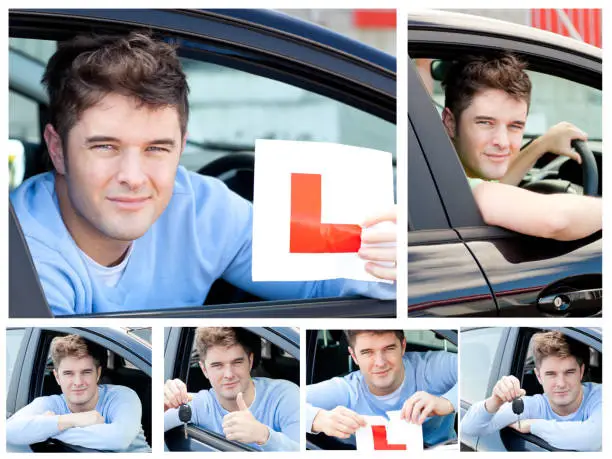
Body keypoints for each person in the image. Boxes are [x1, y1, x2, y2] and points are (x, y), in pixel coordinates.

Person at [9, 31, 397, 316]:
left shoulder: (202, 209)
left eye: (157, 149)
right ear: (57, 149)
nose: (134, 176)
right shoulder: (22, 255)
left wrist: (383, 262)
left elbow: (319, 282)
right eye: (105, 147)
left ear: (181, 145)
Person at [441, 53, 601, 241]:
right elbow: (556, 221)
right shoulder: (453, 185)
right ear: (450, 123)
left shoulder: (451, 176)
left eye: (515, 126)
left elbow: (500, 187)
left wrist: (543, 144)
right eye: (485, 123)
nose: (502, 142)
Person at [306, 330, 457, 447]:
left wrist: (447, 402)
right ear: (354, 356)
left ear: (402, 347)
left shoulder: (431, 369)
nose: (380, 362)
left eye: (388, 349)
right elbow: (290, 401)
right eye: (367, 352)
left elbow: (476, 367)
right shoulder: (346, 390)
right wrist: (317, 418)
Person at [6, 334, 150, 452]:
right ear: (57, 377)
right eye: (68, 373)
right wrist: (73, 420)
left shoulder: (122, 396)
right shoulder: (50, 403)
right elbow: (8, 431)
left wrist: (50, 427)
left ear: (98, 373)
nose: (78, 382)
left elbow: (119, 439)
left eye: (86, 372)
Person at [461, 331, 601, 451]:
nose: (561, 383)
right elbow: (468, 429)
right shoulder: (531, 406)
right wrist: (494, 401)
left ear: (581, 372)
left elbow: (594, 438)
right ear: (539, 376)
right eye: (551, 374)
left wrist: (533, 425)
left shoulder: (600, 395)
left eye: (569, 372)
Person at [164, 327, 299, 451]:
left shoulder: (284, 395)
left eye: (237, 362)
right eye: (217, 365)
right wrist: (164, 402)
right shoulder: (199, 405)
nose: (228, 374)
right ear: (204, 369)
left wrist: (264, 435)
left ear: (250, 362)